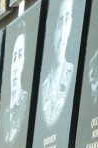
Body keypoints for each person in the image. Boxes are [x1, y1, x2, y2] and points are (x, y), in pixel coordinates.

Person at [39, 0, 76, 128]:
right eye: (60, 23)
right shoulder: (42, 87)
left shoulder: (75, 75)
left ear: (70, 25)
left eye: (66, 21)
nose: (62, 35)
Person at [3, 32, 29, 144]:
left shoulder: (26, 101)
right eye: (14, 57)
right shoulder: (5, 113)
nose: (15, 66)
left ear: (23, 61)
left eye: (19, 56)